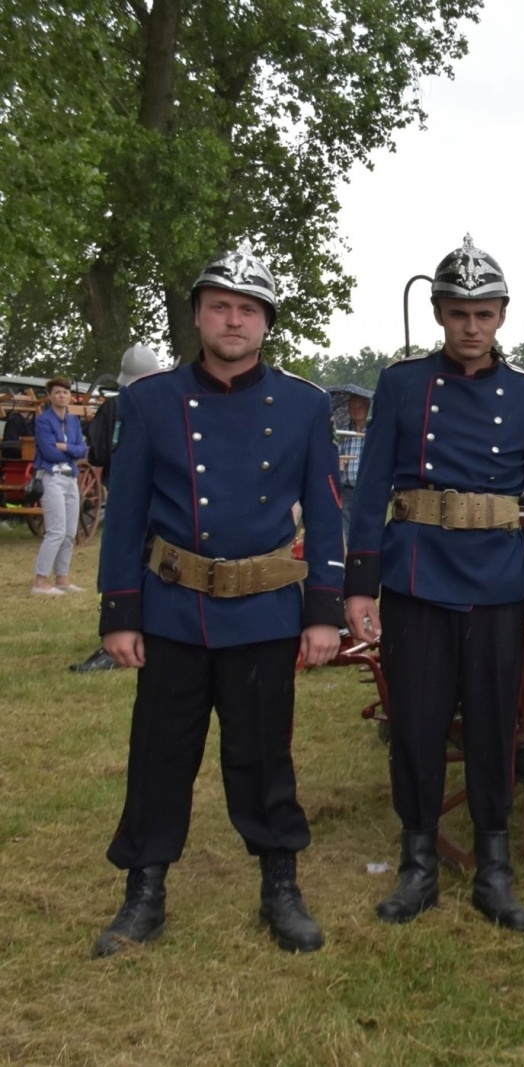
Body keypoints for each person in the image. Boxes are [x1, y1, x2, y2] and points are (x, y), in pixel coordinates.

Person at [93, 243, 344, 957]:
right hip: (174, 608)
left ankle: (280, 886)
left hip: (264, 612)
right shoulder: (149, 401)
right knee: (160, 754)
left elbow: (328, 513)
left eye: (248, 309)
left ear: (266, 323)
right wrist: (120, 612)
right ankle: (144, 892)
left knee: (265, 757)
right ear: (199, 315)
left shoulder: (305, 404)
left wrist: (324, 611)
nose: (234, 320)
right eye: (220, 307)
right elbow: (125, 515)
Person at [344, 235, 524, 933]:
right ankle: (419, 863)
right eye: (459, 313)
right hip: (417, 574)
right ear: (440, 314)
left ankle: (494, 865)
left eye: (484, 314)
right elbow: (371, 488)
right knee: (417, 721)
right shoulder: (403, 385)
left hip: (498, 580)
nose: (471, 326)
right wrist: (359, 584)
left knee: (495, 723)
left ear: (502, 316)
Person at [72, 344, 161, 672]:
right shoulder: (169, 404)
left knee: (122, 562)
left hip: (128, 498)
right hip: (166, 501)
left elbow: (97, 453)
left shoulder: (116, 406)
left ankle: (118, 632)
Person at [31, 377, 87, 596]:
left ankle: (62, 578)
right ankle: (41, 580)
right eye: (57, 392)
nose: (62, 396)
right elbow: (48, 452)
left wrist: (66, 447)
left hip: (71, 478)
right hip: (51, 477)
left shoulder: (74, 421)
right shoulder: (43, 420)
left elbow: (82, 450)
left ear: (70, 396)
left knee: (70, 532)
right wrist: (71, 450)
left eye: (65, 392)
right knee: (56, 531)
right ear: (50, 396)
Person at [337, 392, 369, 540]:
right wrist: (338, 462)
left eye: (360, 406)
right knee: (345, 530)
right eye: (353, 407)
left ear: (368, 407)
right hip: (347, 489)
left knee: (366, 528)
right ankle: (347, 552)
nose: (356, 410)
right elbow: (335, 456)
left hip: (367, 489)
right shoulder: (342, 433)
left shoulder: (374, 432)